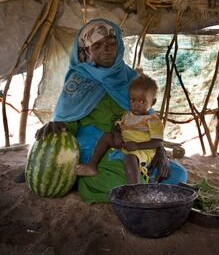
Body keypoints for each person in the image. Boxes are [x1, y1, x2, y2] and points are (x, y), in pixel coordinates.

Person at [27, 18, 187, 203]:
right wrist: (57, 124)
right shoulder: (78, 81)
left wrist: (159, 149)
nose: (106, 48)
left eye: (111, 43)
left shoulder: (132, 79)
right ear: (86, 51)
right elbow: (67, 118)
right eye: (97, 45)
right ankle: (98, 178)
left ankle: (138, 185)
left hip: (130, 144)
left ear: (118, 44)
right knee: (123, 177)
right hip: (94, 148)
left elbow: (147, 116)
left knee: (177, 174)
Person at [75, 74, 163, 184]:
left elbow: (157, 142)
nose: (136, 105)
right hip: (124, 144)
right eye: (132, 100)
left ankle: (134, 188)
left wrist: (137, 146)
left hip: (142, 150)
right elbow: (117, 126)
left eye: (142, 101)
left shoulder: (153, 120)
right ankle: (92, 166)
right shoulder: (127, 115)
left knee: (130, 158)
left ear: (153, 102)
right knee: (107, 136)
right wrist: (117, 135)